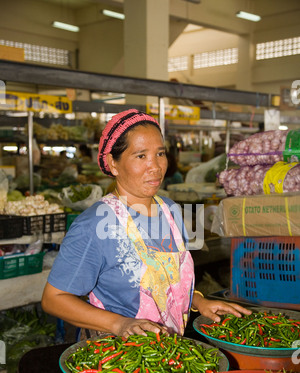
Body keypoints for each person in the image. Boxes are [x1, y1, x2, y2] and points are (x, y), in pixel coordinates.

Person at [42, 109, 251, 339]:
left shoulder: (170, 211)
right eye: (141, 156)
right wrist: (119, 324)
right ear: (113, 163)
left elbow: (169, 281)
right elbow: (54, 299)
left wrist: (199, 302)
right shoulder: (95, 224)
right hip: (118, 355)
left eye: (160, 154)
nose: (155, 166)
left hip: (166, 349)